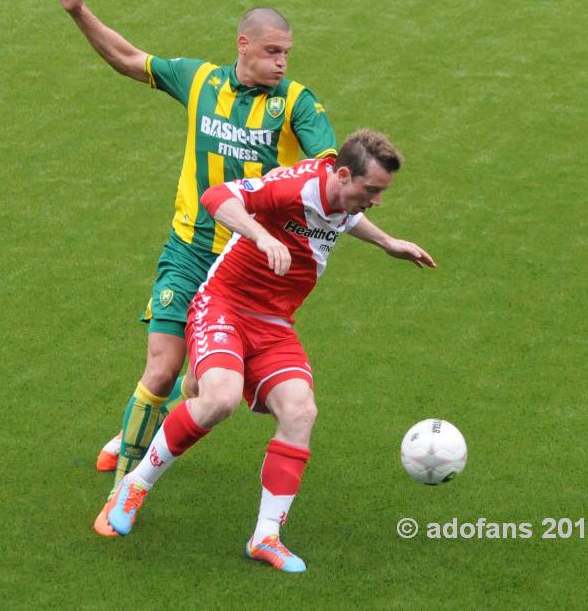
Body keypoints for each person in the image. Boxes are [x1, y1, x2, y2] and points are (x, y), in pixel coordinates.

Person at [44, 0, 347, 534]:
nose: (283, 62)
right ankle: (123, 492)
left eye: (287, 53)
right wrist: (78, 12)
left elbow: (328, 168)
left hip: (246, 267)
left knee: (199, 386)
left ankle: (141, 432)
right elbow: (129, 58)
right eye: (272, 51)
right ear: (243, 46)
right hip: (189, 248)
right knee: (162, 367)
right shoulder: (201, 80)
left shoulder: (297, 102)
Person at [99, 129, 436, 572]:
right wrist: (261, 235)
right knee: (218, 399)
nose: (375, 199)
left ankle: (266, 536)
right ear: (341, 175)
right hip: (224, 306)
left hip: (275, 324)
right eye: (371, 189)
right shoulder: (293, 188)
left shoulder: (343, 198)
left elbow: (345, 216)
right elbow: (217, 195)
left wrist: (388, 242)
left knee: (300, 412)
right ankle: (134, 486)